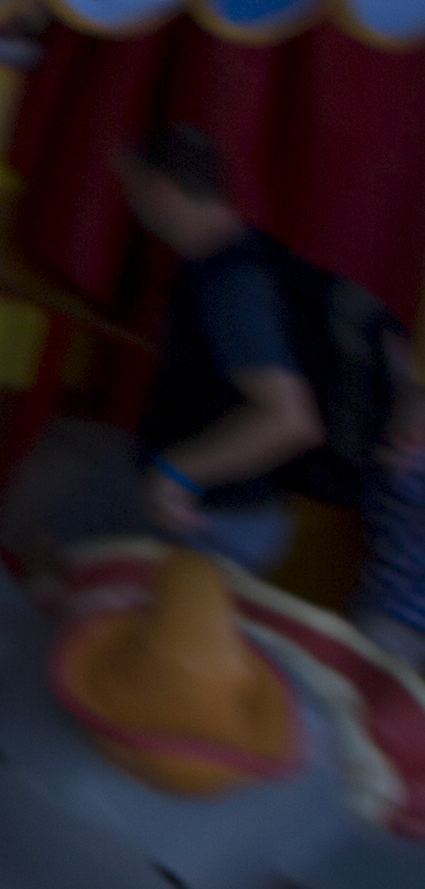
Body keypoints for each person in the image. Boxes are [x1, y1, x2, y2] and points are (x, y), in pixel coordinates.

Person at [117, 125, 380, 574]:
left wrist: (176, 473)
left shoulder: (230, 285)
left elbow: (289, 420)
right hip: (238, 512)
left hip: (212, 523)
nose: (129, 203)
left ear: (159, 188)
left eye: (131, 188)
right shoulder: (254, 257)